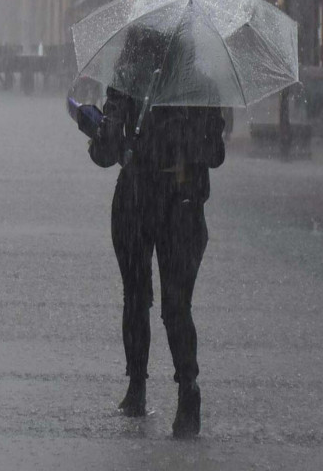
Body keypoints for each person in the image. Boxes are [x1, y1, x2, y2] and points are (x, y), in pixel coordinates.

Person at [82, 25, 226, 438]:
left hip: (144, 202)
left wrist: (95, 130)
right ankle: (179, 389)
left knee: (140, 299)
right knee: (171, 305)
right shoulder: (199, 88)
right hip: (173, 206)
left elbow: (106, 153)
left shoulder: (132, 83)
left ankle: (144, 388)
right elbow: (215, 155)